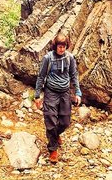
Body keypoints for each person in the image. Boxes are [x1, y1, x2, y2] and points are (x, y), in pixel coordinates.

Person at [34, 33, 81, 163]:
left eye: (64, 46)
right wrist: (37, 95)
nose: (61, 49)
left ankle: (55, 134)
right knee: (50, 120)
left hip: (65, 92)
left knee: (65, 122)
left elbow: (74, 75)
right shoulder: (48, 58)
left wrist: (78, 92)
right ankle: (53, 149)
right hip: (51, 92)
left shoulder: (69, 58)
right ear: (55, 46)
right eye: (60, 46)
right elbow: (41, 77)